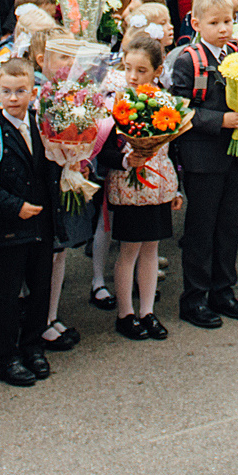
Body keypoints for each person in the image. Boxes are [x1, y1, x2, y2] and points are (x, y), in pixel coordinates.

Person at [165, 0, 238, 329]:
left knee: (228, 225)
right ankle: (194, 297)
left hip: (234, 155)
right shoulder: (189, 59)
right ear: (196, 22)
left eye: (228, 21)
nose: (223, 28)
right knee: (201, 228)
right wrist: (221, 120)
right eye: (214, 22)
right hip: (203, 157)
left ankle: (223, 290)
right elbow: (180, 110)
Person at [0, 58, 58, 387]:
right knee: (6, 294)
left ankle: (33, 346)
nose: (13, 98)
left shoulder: (40, 124)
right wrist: (15, 207)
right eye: (7, 91)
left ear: (32, 92)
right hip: (9, 224)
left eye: (21, 91)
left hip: (40, 221)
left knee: (40, 287)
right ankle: (5, 357)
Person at [104, 36, 180, 338]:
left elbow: (172, 149)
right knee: (129, 250)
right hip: (129, 186)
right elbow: (104, 150)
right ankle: (125, 312)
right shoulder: (117, 101)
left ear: (157, 71)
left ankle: (147, 310)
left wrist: (175, 189)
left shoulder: (165, 101)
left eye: (142, 71)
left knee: (152, 248)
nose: (133, 77)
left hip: (159, 183)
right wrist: (126, 161)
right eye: (128, 69)